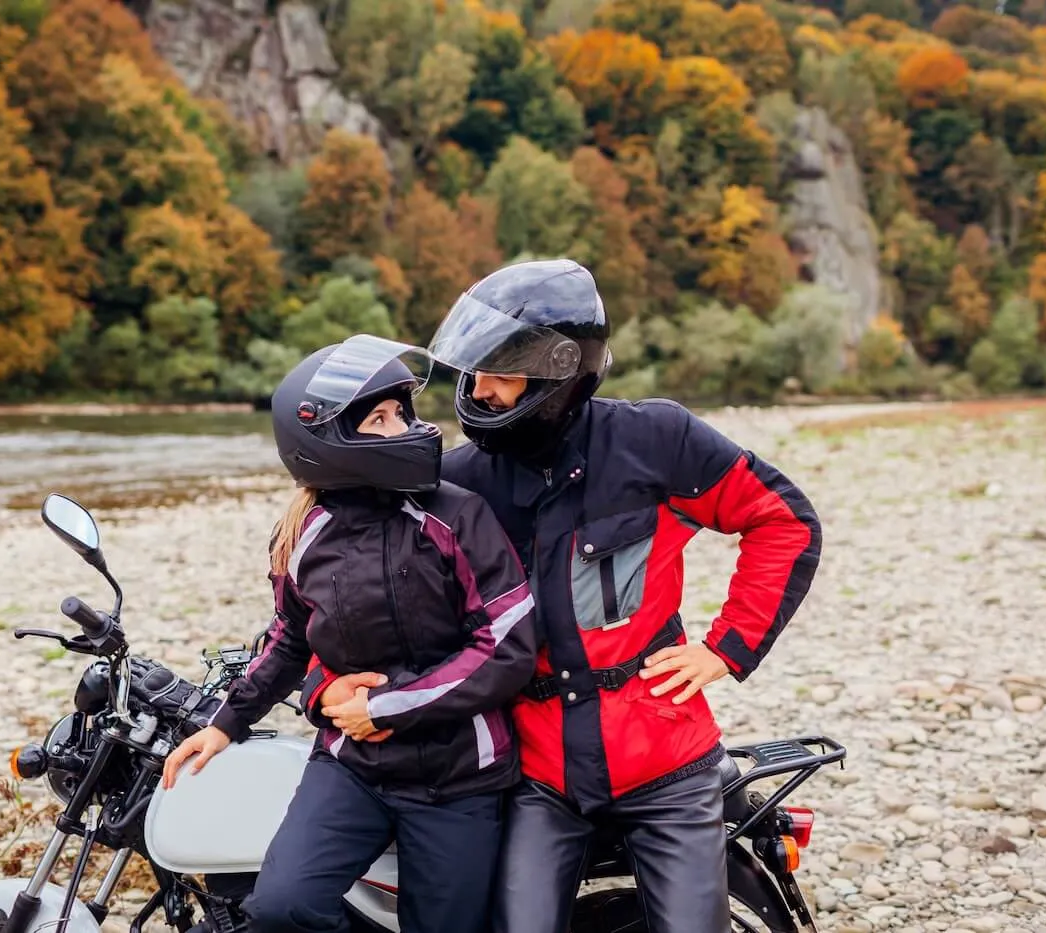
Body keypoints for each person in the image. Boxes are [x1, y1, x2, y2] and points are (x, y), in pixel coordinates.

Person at [421, 258, 824, 933]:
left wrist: (726, 648)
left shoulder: (657, 440)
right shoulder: (460, 480)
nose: (480, 388)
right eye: (474, 369)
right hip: (539, 773)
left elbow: (783, 520)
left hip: (667, 763)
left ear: (559, 371)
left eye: (501, 371)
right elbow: (386, 569)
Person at [161, 334, 538, 933]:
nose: (407, 429)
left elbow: (507, 646)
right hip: (351, 767)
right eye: (381, 419)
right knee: (281, 909)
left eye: (403, 413)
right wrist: (224, 725)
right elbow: (290, 635)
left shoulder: (456, 515)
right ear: (326, 442)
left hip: (459, 775)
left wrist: (384, 707)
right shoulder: (304, 534)